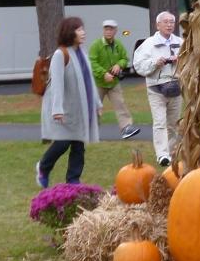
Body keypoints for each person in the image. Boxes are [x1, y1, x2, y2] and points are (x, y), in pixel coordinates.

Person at [36, 17, 101, 187]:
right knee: (62, 142)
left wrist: (96, 104)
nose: (83, 33)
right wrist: (57, 109)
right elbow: (56, 84)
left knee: (78, 145)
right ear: (69, 33)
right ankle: (43, 167)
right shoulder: (61, 54)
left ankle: (73, 180)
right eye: (79, 30)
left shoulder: (82, 54)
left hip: (78, 109)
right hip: (63, 109)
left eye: (83, 29)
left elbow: (89, 81)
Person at [133, 11, 183, 167]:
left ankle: (172, 153)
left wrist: (180, 60)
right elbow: (138, 66)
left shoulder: (181, 43)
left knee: (174, 124)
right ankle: (162, 155)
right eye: (165, 22)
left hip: (176, 88)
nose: (169, 25)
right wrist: (155, 63)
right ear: (158, 25)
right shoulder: (148, 44)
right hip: (156, 89)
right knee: (160, 122)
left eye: (171, 22)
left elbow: (192, 62)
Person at [88, 19, 141, 140]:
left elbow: (124, 58)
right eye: (106, 29)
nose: (108, 31)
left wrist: (119, 65)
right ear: (103, 31)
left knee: (120, 104)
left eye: (111, 29)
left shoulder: (118, 44)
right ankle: (90, 130)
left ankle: (126, 128)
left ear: (115, 31)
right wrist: (104, 74)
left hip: (113, 83)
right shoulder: (96, 45)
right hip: (98, 83)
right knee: (95, 107)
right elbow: (92, 62)